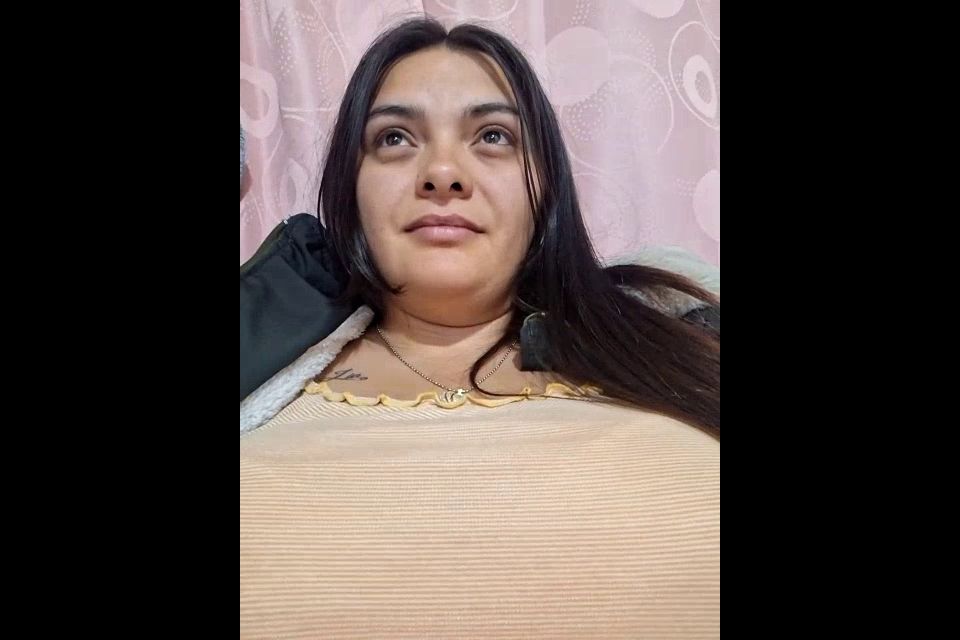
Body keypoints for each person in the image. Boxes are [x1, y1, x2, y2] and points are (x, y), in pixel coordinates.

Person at [241, 18, 719, 636]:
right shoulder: (259, 364)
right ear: (351, 188)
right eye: (394, 139)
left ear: (544, 186)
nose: (443, 173)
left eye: (493, 136)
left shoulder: (678, 327)